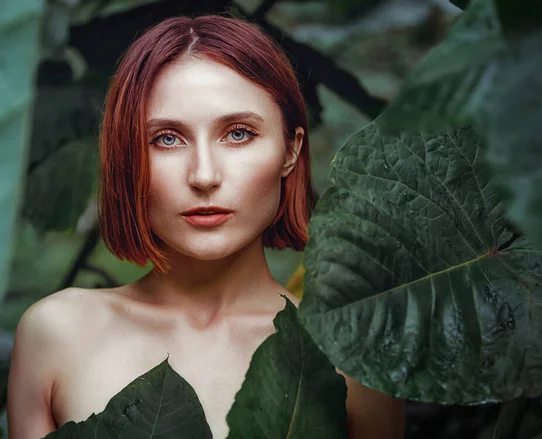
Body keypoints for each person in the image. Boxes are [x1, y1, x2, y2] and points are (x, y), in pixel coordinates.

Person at [7, 14, 405, 439]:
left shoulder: (353, 352)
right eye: (166, 138)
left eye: (238, 134)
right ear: (127, 158)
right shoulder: (58, 333)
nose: (203, 175)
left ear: (291, 150)